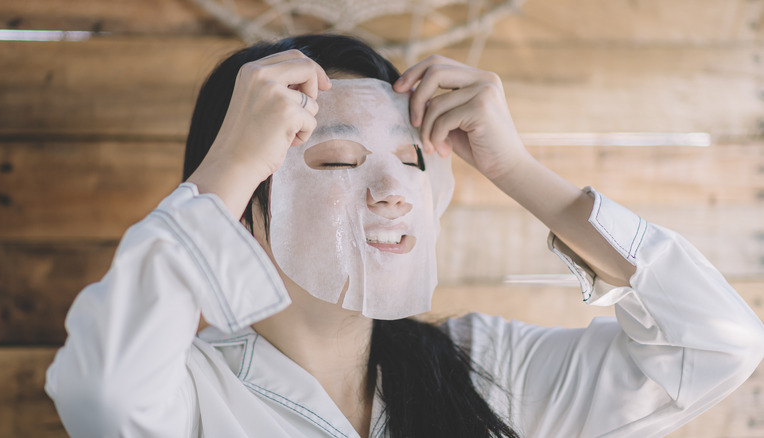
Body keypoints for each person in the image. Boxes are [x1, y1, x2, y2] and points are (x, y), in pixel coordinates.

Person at [45, 34, 764, 438]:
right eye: (336, 161)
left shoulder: (489, 368)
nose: (391, 191)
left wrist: (513, 167)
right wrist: (228, 165)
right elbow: (103, 397)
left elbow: (715, 344)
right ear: (239, 200)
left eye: (410, 161)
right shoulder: (187, 394)